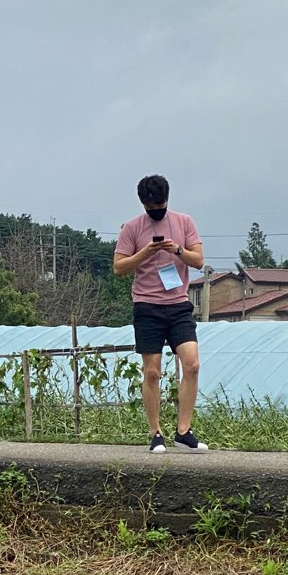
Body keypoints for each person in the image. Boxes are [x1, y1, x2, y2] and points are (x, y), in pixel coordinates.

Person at [114, 174, 208, 453]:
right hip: (147, 306)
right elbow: (119, 268)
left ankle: (184, 430)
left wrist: (178, 250)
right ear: (143, 203)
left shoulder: (184, 222)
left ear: (167, 199)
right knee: (152, 372)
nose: (157, 210)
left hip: (178, 304)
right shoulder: (131, 228)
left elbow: (199, 261)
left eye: (161, 204)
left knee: (192, 364)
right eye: (151, 206)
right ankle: (156, 433)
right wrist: (145, 252)